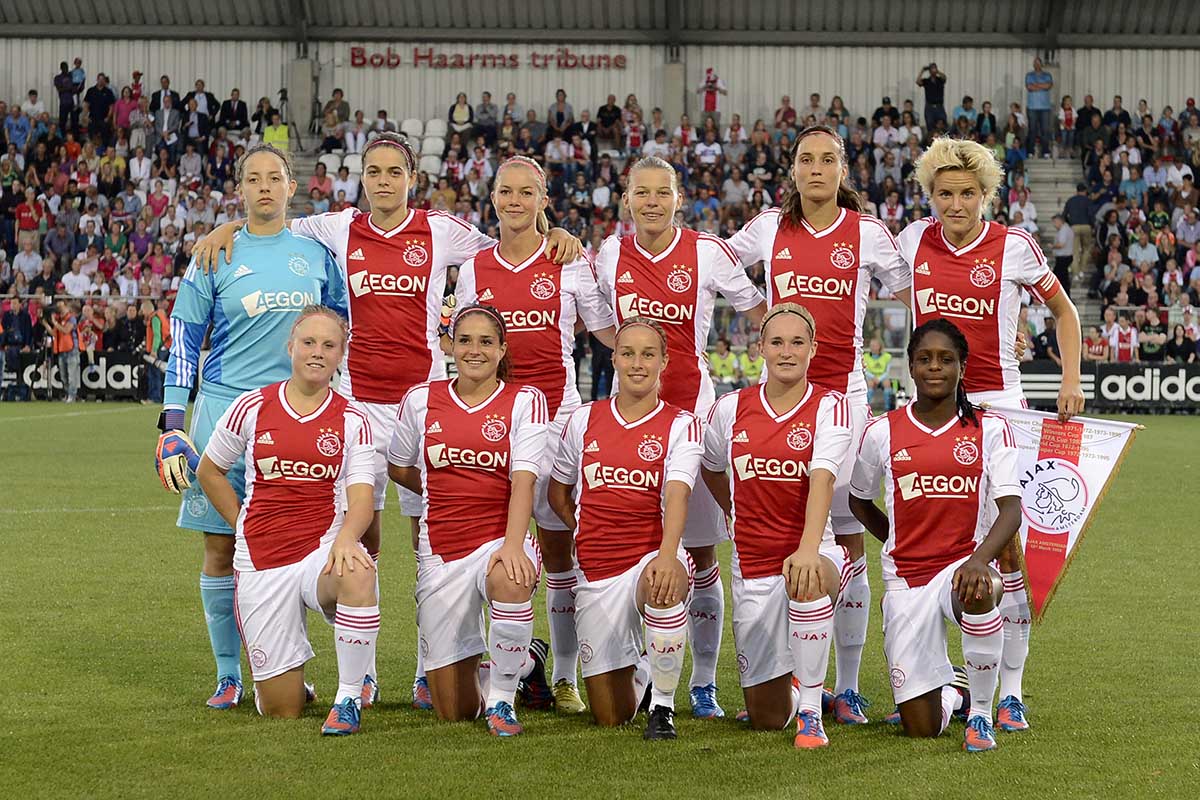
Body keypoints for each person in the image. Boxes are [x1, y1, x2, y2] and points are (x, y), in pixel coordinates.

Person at [194, 132, 581, 710]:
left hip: (423, 406)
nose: (382, 181)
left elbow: (508, 239)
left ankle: (430, 665)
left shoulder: (441, 230)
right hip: (360, 406)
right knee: (362, 533)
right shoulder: (339, 227)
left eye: (393, 172)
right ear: (362, 179)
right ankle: (366, 673)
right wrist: (228, 228)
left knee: (429, 531)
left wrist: (555, 234)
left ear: (411, 179)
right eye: (373, 172)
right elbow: (274, 221)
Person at [725, 126, 912, 722]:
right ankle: (792, 671)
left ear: (842, 170)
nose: (815, 169)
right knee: (788, 529)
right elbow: (716, 262)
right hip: (781, 400)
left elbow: (917, 292)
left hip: (843, 400)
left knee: (846, 536)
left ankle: (847, 685)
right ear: (793, 169)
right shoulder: (767, 228)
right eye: (806, 159)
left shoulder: (867, 232)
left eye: (827, 159)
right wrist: (760, 311)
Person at [153, 143, 347, 711]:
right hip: (222, 416)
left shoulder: (316, 254)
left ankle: (288, 668)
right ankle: (228, 674)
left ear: (291, 187)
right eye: (254, 179)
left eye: (274, 178)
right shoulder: (214, 254)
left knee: (297, 549)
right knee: (220, 548)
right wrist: (172, 422)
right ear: (240, 189)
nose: (265, 187)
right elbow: (184, 341)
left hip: (297, 421)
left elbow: (341, 330)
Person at [900, 136, 1084, 731]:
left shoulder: (1014, 246)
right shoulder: (912, 241)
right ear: (930, 195)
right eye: (944, 194)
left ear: (986, 195)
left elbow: (1065, 312)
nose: (955, 204)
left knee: (1006, 550)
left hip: (999, 409)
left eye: (967, 194)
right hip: (928, 410)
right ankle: (950, 673)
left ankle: (1011, 691)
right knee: (931, 541)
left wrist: (1070, 379)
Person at [592, 156, 767, 719]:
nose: (651, 202)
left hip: (693, 418)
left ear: (678, 199)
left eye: (661, 192)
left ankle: (704, 683)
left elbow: (759, 311)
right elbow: (594, 318)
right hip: (628, 422)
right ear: (626, 199)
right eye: (641, 193)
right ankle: (646, 669)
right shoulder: (609, 254)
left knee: (700, 553)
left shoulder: (707, 252)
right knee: (638, 548)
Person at [452, 156, 615, 713]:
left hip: (555, 423)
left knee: (560, 550)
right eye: (506, 191)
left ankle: (564, 675)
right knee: (486, 546)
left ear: (544, 200)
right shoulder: (475, 267)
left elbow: (607, 331)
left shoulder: (567, 260)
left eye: (527, 192)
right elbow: (461, 341)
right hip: (491, 425)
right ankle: (503, 663)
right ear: (493, 198)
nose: (515, 201)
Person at [195, 306, 377, 734]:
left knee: (358, 568)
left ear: (341, 355)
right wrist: (241, 522)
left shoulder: (353, 418)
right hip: (262, 558)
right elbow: (210, 470)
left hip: (320, 550)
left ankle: (349, 696)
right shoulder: (251, 406)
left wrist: (346, 539)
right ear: (290, 347)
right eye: (309, 342)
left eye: (329, 345)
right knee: (283, 709)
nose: (317, 352)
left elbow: (362, 500)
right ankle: (285, 684)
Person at [850, 319, 1022, 752]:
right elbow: (859, 500)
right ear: (910, 365)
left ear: (962, 367)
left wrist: (979, 559)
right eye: (924, 358)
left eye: (946, 359)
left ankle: (980, 714)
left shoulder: (990, 428)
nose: (934, 367)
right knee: (920, 728)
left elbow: (1011, 511)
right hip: (906, 579)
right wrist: (896, 539)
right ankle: (953, 693)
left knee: (981, 587)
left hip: (962, 566)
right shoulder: (882, 431)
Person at [386, 304, 552, 736]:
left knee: (509, 578)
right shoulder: (420, 400)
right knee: (454, 710)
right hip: (441, 550)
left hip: (499, 538)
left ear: (502, 350)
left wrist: (513, 545)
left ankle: (503, 702)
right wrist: (439, 490)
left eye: (485, 342)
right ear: (451, 346)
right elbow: (399, 466)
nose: (474, 350)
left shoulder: (525, 400)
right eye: (464, 341)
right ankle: (526, 661)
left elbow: (524, 481)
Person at [700, 303, 854, 748]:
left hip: (814, 552)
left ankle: (811, 711)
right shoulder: (730, 409)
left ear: (813, 349)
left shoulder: (831, 406)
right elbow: (712, 466)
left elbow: (822, 478)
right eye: (778, 342)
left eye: (797, 342)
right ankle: (797, 686)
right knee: (766, 719)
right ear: (760, 349)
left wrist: (808, 549)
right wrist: (733, 510)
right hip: (752, 567)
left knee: (807, 578)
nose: (787, 352)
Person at [548, 317, 702, 739]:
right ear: (613, 358)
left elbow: (678, 494)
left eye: (648, 354)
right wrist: (581, 527)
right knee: (611, 715)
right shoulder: (583, 419)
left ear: (664, 362)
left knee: (663, 584)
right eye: (628, 353)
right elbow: (558, 492)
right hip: (598, 568)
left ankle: (663, 707)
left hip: (650, 557)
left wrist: (668, 556)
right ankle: (646, 670)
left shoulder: (682, 423)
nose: (638, 363)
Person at [51, 299, 79, 402]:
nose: (60, 308)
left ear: (66, 307)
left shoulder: (71, 318)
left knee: (71, 375)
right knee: (63, 376)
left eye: (61, 306)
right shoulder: (59, 320)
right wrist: (45, 323)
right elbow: (54, 333)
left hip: (71, 349)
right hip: (62, 349)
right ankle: (68, 394)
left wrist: (54, 322)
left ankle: (72, 395)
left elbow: (66, 330)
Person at [863, 337, 894, 411]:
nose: (873, 347)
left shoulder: (887, 356)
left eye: (875, 345)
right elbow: (865, 370)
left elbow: (887, 372)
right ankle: (866, 407)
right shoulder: (865, 356)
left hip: (882, 377)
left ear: (880, 346)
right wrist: (873, 377)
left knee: (887, 383)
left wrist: (879, 379)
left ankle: (887, 408)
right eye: (871, 346)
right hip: (871, 377)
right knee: (870, 384)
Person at [917, 63, 948, 133]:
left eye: (934, 68)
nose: (933, 70)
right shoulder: (926, 81)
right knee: (930, 124)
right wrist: (922, 71)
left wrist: (937, 72)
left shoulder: (940, 80)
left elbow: (945, 77)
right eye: (932, 68)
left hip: (939, 106)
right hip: (929, 107)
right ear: (929, 71)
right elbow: (918, 82)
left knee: (943, 123)